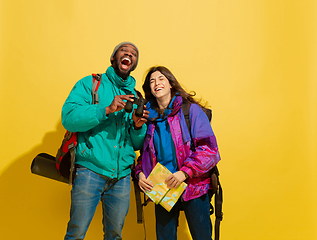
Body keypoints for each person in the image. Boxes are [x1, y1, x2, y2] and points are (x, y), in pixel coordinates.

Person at [61, 42, 148, 240]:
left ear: (134, 64)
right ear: (113, 58)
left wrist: (137, 126)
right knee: (76, 233)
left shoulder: (137, 96)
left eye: (133, 53)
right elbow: (69, 118)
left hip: (122, 177)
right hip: (90, 171)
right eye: (123, 51)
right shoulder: (91, 83)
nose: (129, 54)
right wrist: (106, 109)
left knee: (115, 236)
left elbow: (136, 145)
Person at [135, 66, 221, 240]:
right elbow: (144, 155)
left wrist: (185, 172)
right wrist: (140, 174)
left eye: (161, 79)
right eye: (152, 81)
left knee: (202, 237)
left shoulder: (191, 111)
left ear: (170, 84)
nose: (156, 83)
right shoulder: (148, 119)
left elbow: (209, 150)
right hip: (162, 187)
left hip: (194, 185)